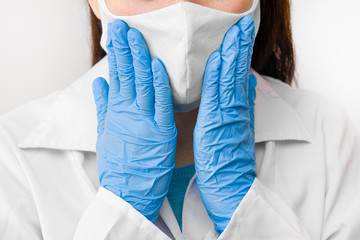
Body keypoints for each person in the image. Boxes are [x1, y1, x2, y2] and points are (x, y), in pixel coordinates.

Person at [0, 0, 359, 239]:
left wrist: (245, 209)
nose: (182, 10)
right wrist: (123, 208)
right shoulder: (13, 157)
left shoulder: (329, 136)